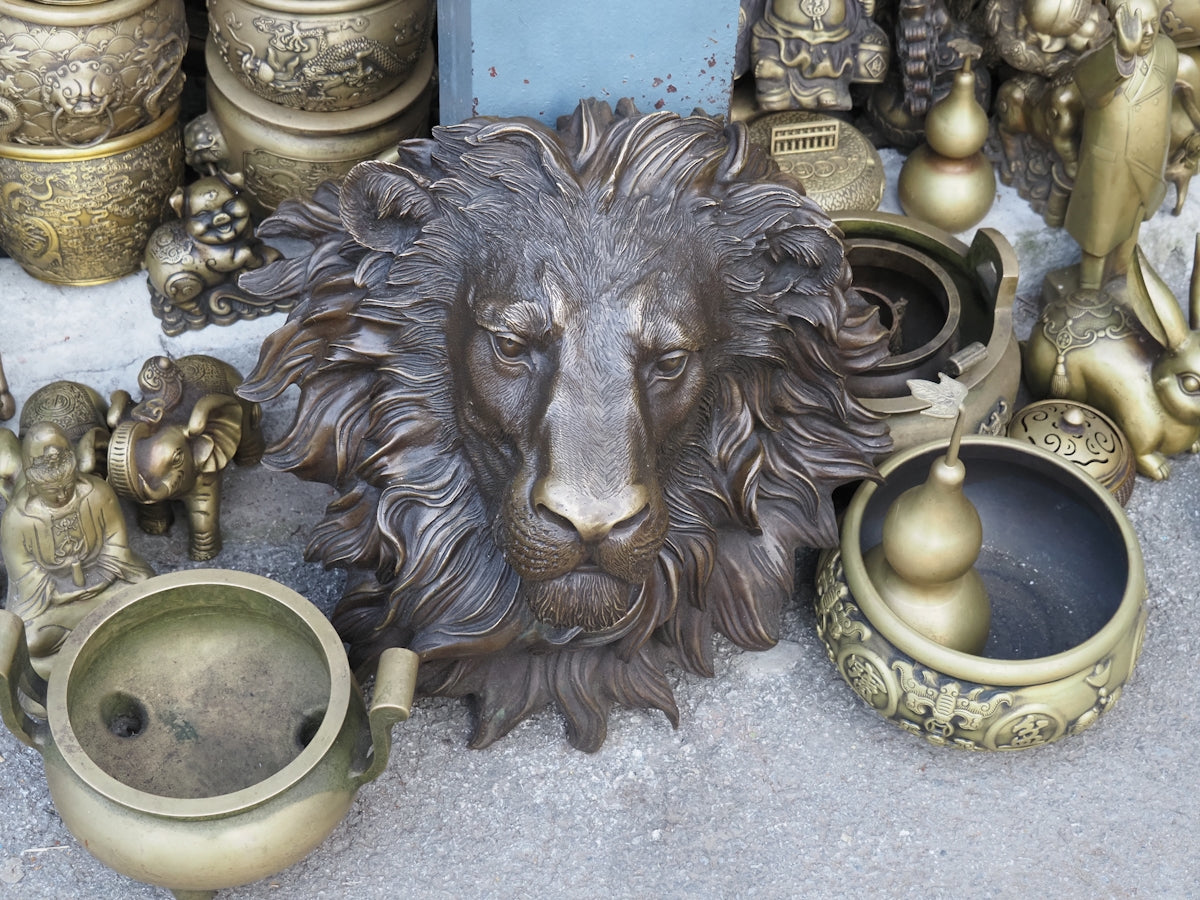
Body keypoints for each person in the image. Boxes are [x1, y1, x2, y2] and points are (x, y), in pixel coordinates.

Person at [1065, 0, 1200, 290]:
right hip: (1109, 163)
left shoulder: (1166, 51)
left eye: (1154, 22)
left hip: (1149, 159)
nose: (1149, 32)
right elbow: (1089, 88)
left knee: (1132, 226)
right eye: (1139, 25)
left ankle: (1121, 281)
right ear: (1118, 24)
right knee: (1097, 237)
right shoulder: (1103, 61)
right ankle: (1087, 294)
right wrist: (1123, 55)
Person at [1, 422, 153, 679]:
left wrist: (98, 580)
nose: (61, 496)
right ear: (34, 485)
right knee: (30, 640)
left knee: (147, 586)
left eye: (67, 487)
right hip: (54, 606)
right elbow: (26, 581)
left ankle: (71, 663)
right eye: (52, 491)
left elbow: (117, 547)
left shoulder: (97, 493)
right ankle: (105, 645)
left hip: (104, 586)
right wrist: (65, 593)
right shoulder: (18, 520)